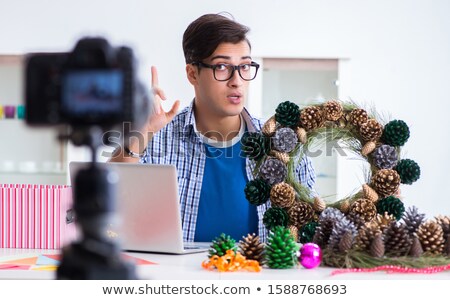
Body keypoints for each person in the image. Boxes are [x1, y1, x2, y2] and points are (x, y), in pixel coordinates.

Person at [110, 13, 316, 242]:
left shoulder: (282, 145)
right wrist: (141, 131)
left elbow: (309, 227)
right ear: (192, 74)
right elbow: (107, 202)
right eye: (221, 66)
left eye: (245, 66)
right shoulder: (155, 137)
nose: (237, 80)